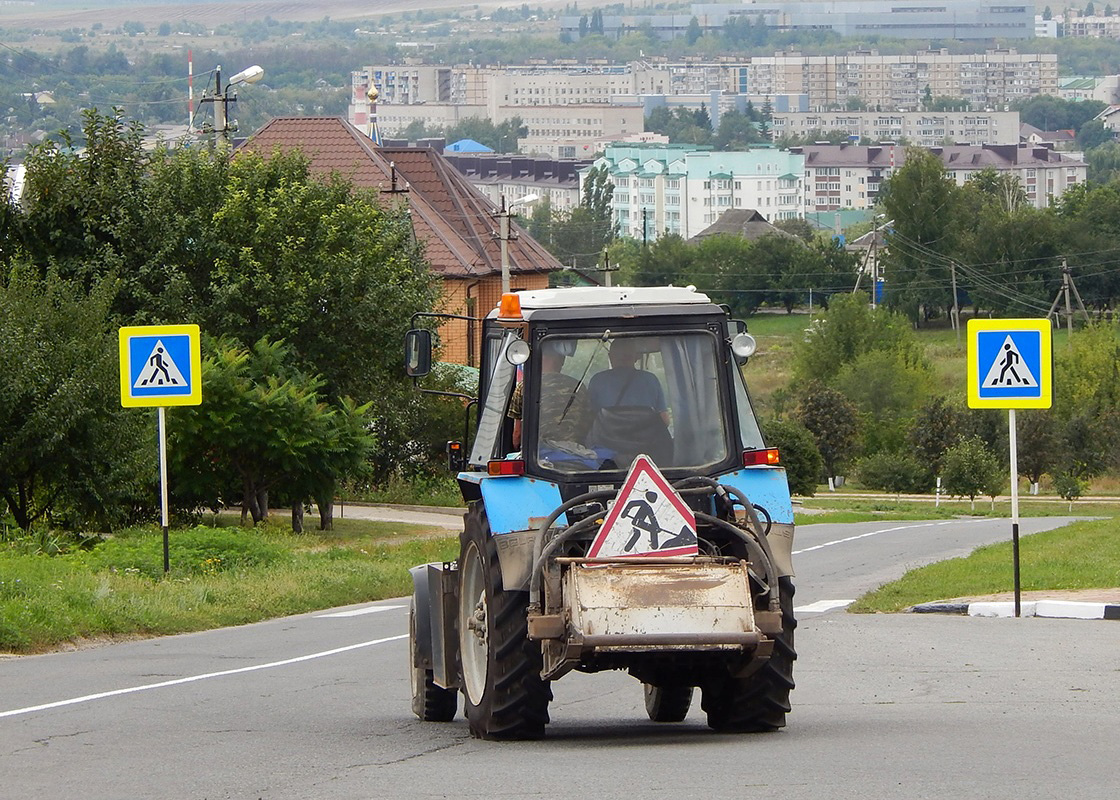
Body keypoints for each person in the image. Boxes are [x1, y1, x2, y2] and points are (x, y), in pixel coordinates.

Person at [508, 340, 591, 450]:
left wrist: (516, 449)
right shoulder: (579, 387)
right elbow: (588, 424)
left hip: (538, 455)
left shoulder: (525, 387)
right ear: (562, 360)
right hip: (575, 453)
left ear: (538, 359)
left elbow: (517, 433)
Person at [587, 338, 669, 425]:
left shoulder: (597, 380)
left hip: (607, 438)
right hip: (644, 438)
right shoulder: (651, 380)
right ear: (636, 357)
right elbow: (664, 420)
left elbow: (588, 418)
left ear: (610, 356)